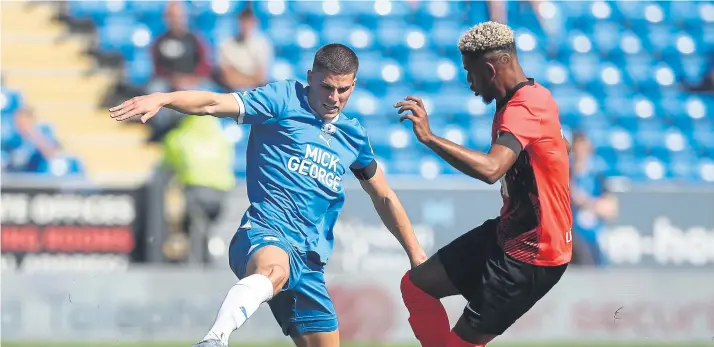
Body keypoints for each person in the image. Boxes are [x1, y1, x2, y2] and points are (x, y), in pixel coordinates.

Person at [109, 43, 427, 347]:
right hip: (266, 233)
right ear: (310, 77)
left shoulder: (353, 136)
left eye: (342, 90)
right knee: (275, 270)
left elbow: (383, 196)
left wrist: (415, 254)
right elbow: (213, 103)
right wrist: (165, 99)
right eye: (326, 87)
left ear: (353, 85)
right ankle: (214, 339)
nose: (333, 98)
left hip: (311, 262)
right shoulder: (282, 99)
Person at [394, 21, 572, 347]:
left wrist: (429, 138)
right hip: (509, 234)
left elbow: (492, 169)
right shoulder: (537, 96)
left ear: (490, 69)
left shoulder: (524, 108)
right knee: (416, 286)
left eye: (470, 72)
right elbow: (561, 148)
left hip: (532, 255)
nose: (469, 82)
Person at [569, 131, 618, 266]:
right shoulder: (567, 172)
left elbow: (611, 209)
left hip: (594, 236)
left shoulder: (598, 175)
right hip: (572, 237)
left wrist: (585, 201)